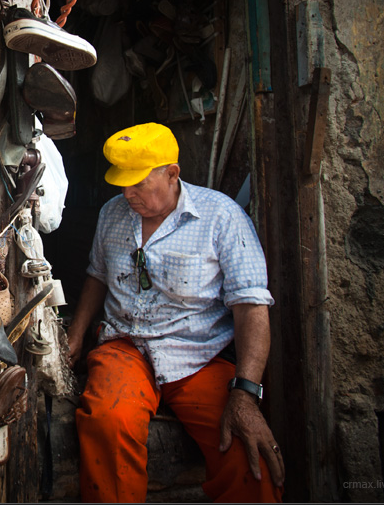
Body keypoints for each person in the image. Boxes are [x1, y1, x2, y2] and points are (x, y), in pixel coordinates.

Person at [67, 122, 285, 503]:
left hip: (199, 355)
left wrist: (246, 394)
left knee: (247, 457)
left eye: (138, 183)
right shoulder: (112, 214)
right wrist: (76, 332)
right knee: (107, 422)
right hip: (125, 347)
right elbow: (97, 276)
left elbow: (251, 308)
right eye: (123, 183)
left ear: (172, 174)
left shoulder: (221, 217)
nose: (127, 193)